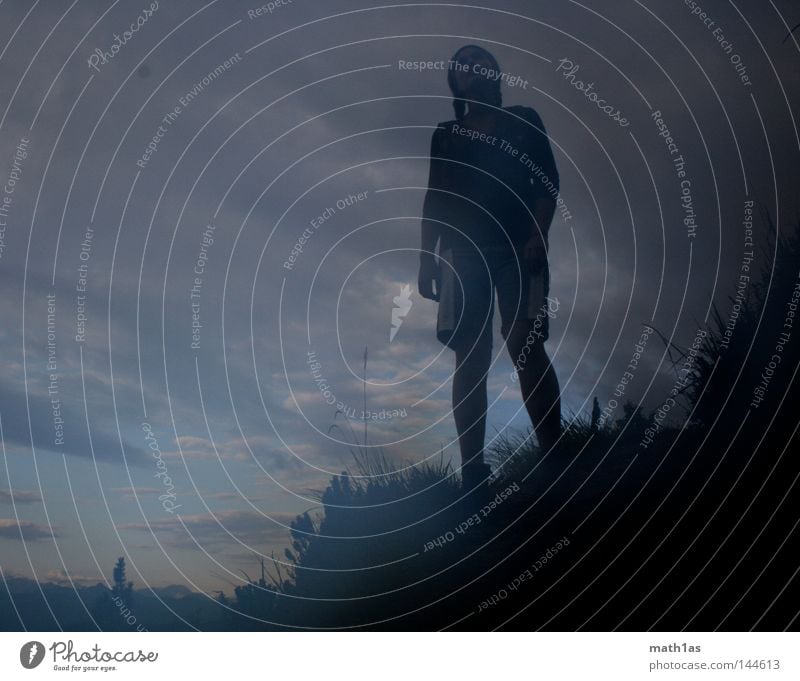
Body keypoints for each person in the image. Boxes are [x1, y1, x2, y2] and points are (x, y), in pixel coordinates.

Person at [418, 44, 562, 494]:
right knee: (470, 353)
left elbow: (546, 181)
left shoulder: (523, 121)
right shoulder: (446, 135)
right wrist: (426, 259)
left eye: (482, 63)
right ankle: (473, 473)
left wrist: (538, 235)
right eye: (464, 66)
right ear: (455, 84)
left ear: (495, 75)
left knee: (524, 342)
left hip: (519, 247)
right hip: (462, 255)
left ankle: (555, 457)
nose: (474, 69)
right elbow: (435, 198)